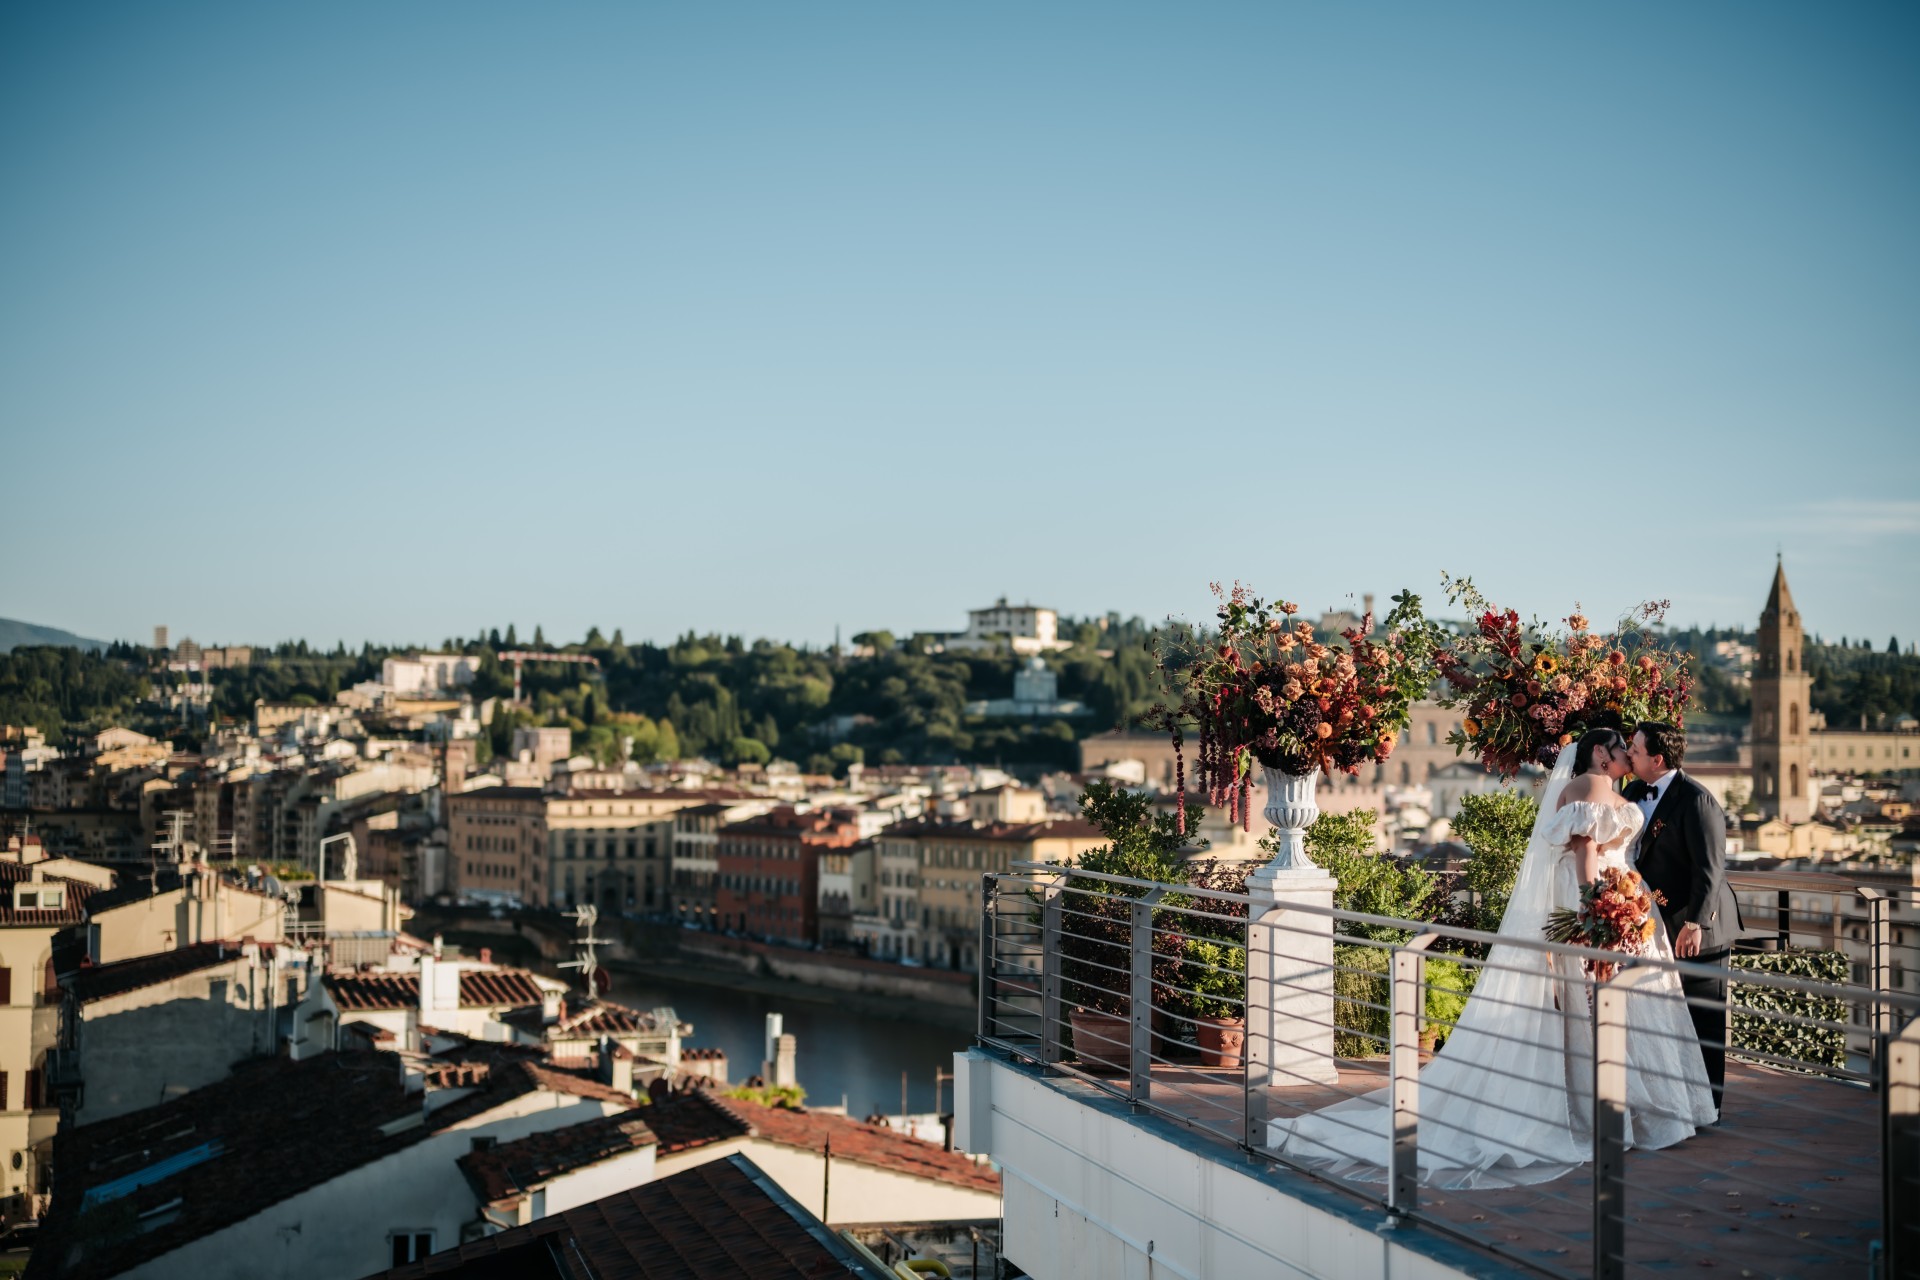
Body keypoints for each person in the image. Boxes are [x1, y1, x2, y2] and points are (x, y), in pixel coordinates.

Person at [1266, 727, 1716, 1187]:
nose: (1627, 754)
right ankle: (1605, 1110)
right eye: (1622, 748)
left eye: (1631, 748)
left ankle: (1625, 1106)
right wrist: (1596, 908)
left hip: (1628, 903)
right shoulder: (1587, 789)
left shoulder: (1622, 790)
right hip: (1601, 903)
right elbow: (1584, 855)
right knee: (1595, 1004)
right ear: (1600, 754)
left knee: (1622, 1003)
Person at [1626, 720, 1741, 1115]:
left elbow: (1710, 869)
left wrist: (1695, 924)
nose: (1629, 754)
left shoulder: (1697, 800)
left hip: (1697, 927)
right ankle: (1675, 1101)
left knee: (1703, 1017)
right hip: (1655, 925)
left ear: (1657, 759)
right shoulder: (1634, 790)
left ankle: (1709, 1107)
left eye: (1636, 750)